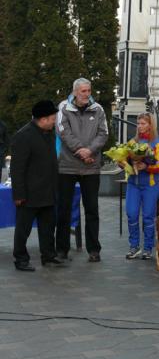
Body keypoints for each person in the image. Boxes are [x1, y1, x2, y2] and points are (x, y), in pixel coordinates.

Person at [56, 78, 108, 262]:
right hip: (67, 167)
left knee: (92, 209)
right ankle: (61, 249)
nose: (87, 94)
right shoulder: (63, 107)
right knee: (64, 209)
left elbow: (104, 134)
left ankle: (94, 250)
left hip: (91, 167)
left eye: (89, 90)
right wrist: (81, 151)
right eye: (84, 91)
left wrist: (90, 151)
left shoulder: (99, 109)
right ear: (75, 92)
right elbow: (63, 132)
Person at [12, 101, 64, 271]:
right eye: (52, 118)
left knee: (48, 227)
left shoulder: (49, 133)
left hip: (48, 191)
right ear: (42, 119)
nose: (54, 121)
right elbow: (17, 168)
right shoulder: (24, 135)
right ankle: (20, 259)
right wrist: (18, 195)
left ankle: (48, 256)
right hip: (29, 193)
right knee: (23, 229)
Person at [122, 112, 159, 260]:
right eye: (139, 123)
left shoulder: (158, 144)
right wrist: (122, 163)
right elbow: (125, 161)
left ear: (150, 125)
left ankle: (148, 248)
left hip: (150, 186)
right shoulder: (132, 142)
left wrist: (145, 166)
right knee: (131, 214)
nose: (140, 126)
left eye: (143, 123)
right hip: (133, 184)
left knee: (148, 217)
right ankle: (134, 246)